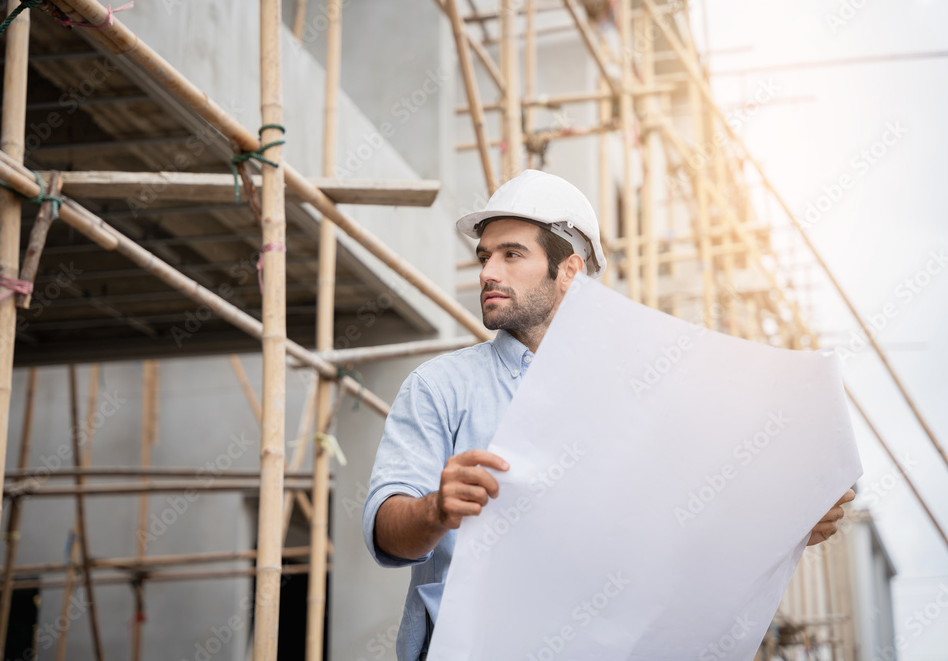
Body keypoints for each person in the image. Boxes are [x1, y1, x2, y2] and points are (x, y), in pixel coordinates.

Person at [362, 169, 854, 661]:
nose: (489, 271)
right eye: (485, 256)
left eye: (512, 254)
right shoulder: (439, 387)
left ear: (570, 271)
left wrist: (783, 525)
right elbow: (387, 532)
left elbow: (684, 533)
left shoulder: (642, 398)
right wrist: (436, 510)